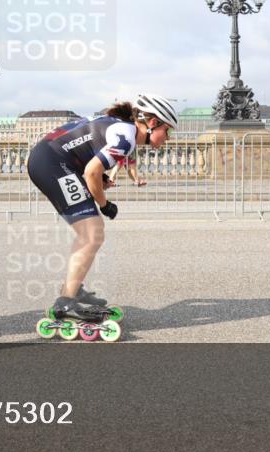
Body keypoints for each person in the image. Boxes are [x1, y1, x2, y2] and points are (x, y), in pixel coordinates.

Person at [28, 93, 177, 329]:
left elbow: (87, 158)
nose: (168, 138)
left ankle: (72, 289)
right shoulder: (126, 138)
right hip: (52, 162)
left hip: (52, 158)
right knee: (92, 232)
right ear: (152, 123)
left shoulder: (123, 129)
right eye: (167, 130)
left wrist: (101, 179)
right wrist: (105, 204)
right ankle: (65, 302)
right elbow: (91, 173)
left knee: (91, 232)